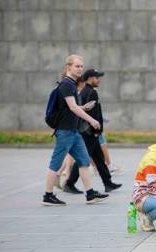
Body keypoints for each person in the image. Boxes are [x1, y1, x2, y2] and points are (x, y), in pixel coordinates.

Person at [42, 54, 109, 206]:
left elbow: (71, 107)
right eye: (77, 66)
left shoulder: (71, 85)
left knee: (84, 161)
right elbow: (72, 107)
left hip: (73, 131)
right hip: (65, 131)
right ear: (68, 67)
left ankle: (90, 194)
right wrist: (91, 119)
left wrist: (83, 108)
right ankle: (47, 195)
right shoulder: (66, 84)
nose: (80, 69)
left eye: (81, 66)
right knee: (56, 163)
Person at [64, 69, 122, 194]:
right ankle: (69, 184)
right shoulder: (91, 92)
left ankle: (108, 183)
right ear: (90, 78)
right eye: (97, 77)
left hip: (89, 132)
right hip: (90, 133)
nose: (99, 80)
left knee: (99, 158)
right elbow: (93, 113)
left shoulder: (86, 91)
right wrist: (96, 130)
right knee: (83, 159)